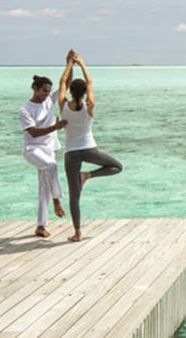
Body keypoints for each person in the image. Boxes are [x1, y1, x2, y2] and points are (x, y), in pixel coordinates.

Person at [58, 50, 122, 242]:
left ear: (70, 92)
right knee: (117, 167)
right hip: (89, 149)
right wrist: (81, 63)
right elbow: (91, 82)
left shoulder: (62, 105)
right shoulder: (90, 105)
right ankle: (88, 175)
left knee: (74, 196)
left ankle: (77, 233)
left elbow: (62, 82)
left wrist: (69, 63)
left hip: (71, 153)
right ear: (85, 92)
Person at [19, 52, 71, 238]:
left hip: (48, 148)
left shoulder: (49, 100)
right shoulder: (25, 109)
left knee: (43, 188)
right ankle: (57, 201)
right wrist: (55, 126)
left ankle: (41, 226)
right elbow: (32, 132)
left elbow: (65, 83)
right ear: (35, 88)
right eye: (43, 91)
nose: (46, 94)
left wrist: (70, 64)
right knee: (51, 166)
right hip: (32, 149)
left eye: (48, 91)